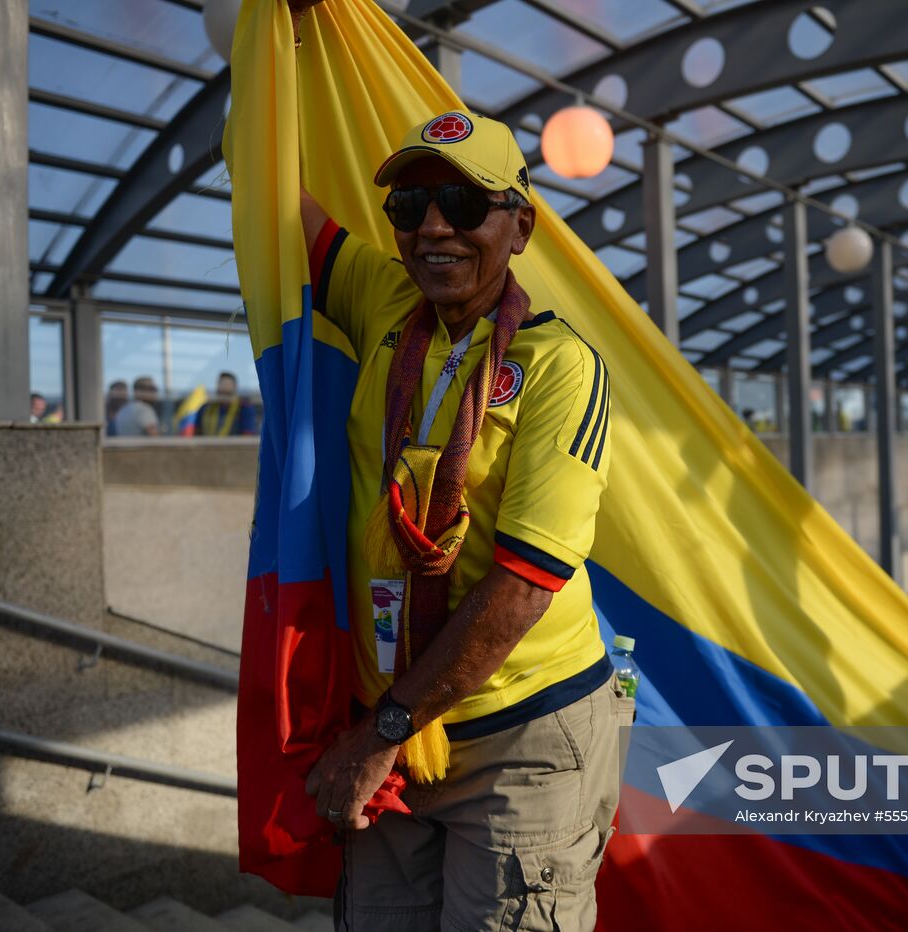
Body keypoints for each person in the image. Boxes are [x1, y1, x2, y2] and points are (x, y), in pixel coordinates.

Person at [284, 9, 625, 925]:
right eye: (409, 208)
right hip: (392, 725)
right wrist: (264, 48)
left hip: (518, 738)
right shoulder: (385, 300)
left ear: (521, 227)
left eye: (465, 206)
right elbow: (278, 197)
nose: (433, 227)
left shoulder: (560, 367)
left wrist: (381, 732)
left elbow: (522, 586)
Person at [195, 371, 258, 436]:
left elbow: (248, 436)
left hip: (235, 443)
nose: (224, 387)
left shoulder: (245, 409)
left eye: (227, 385)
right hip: (206, 442)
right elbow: (195, 433)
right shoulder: (206, 408)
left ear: (235, 388)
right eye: (221, 384)